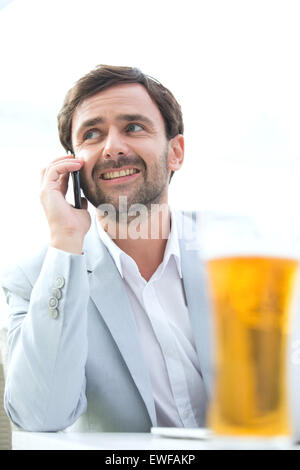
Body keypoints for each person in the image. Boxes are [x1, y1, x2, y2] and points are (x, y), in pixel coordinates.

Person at [1, 65, 213, 432]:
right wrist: (66, 242)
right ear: (72, 167)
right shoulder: (34, 279)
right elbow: (39, 416)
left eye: (133, 127)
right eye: (92, 134)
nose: (112, 147)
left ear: (175, 152)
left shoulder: (240, 251)